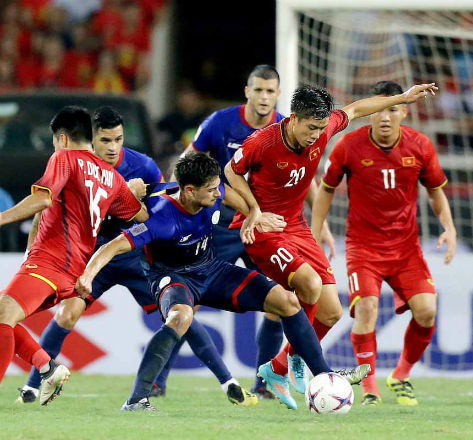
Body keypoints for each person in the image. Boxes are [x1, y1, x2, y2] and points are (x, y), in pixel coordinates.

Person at [74, 152, 370, 411]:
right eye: (212, 190)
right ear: (189, 191)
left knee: (287, 301)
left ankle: (323, 375)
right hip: (173, 278)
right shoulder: (160, 216)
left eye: (218, 187)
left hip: (211, 269)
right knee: (180, 317)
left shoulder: (212, 192)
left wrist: (255, 213)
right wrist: (88, 275)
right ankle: (137, 400)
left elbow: (231, 194)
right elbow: (110, 247)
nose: (218, 195)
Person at [15, 107, 255, 407]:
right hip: (94, 254)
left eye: (118, 139)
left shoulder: (143, 166)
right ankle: (33, 387)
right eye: (105, 140)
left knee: (179, 313)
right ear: (92, 140)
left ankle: (219, 381)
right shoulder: (74, 165)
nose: (113, 147)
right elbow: (46, 206)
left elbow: (164, 204)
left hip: (135, 255)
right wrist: (31, 250)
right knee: (67, 313)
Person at [224, 82, 438, 406]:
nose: (316, 136)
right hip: (265, 230)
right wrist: (254, 211)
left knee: (332, 311)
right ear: (294, 118)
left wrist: (402, 97)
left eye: (322, 129)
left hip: (296, 225)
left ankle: (278, 367)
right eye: (311, 128)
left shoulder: (323, 129)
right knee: (308, 284)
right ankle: (302, 362)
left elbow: (357, 108)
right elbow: (230, 171)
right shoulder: (263, 142)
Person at [311, 81, 457, 406]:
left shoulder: (420, 146)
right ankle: (369, 388)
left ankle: (401, 375)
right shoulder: (348, 146)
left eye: (393, 109)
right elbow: (326, 189)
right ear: (370, 113)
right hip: (363, 248)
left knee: (427, 311)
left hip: (406, 249)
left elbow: (435, 191)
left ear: (404, 111)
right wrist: (316, 229)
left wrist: (448, 227)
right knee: (367, 308)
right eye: (380, 108)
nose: (386, 116)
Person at [0, 106, 147, 405]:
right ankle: (46, 367)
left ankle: (45, 367)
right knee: (6, 317)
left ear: (63, 139)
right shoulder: (112, 177)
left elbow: (42, 199)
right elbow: (140, 215)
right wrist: (135, 193)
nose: (54, 147)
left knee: (3, 316)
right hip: (73, 273)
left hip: (50, 262)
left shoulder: (64, 158)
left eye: (55, 142)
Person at [172, 64, 289, 398]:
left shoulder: (285, 128)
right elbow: (185, 163)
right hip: (222, 224)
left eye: (270, 91)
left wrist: (318, 223)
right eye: (259, 90)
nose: (264, 97)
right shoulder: (220, 122)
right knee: (186, 301)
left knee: (277, 304)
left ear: (278, 94)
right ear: (247, 91)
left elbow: (303, 177)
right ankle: (156, 380)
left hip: (265, 225)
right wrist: (180, 204)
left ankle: (265, 384)